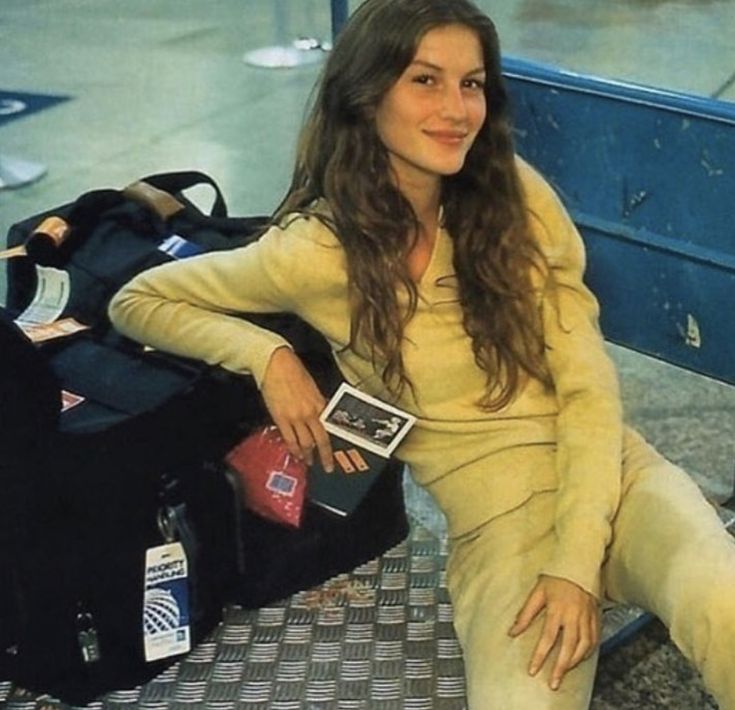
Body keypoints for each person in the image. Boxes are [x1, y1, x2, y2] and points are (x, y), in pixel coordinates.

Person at [108, 0, 735, 706]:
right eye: (425, 80)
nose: (456, 108)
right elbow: (137, 302)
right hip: (499, 531)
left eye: (471, 84)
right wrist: (267, 355)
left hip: (608, 478)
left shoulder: (514, 200)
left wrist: (573, 565)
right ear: (366, 92)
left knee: (724, 603)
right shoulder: (315, 251)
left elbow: (588, 392)